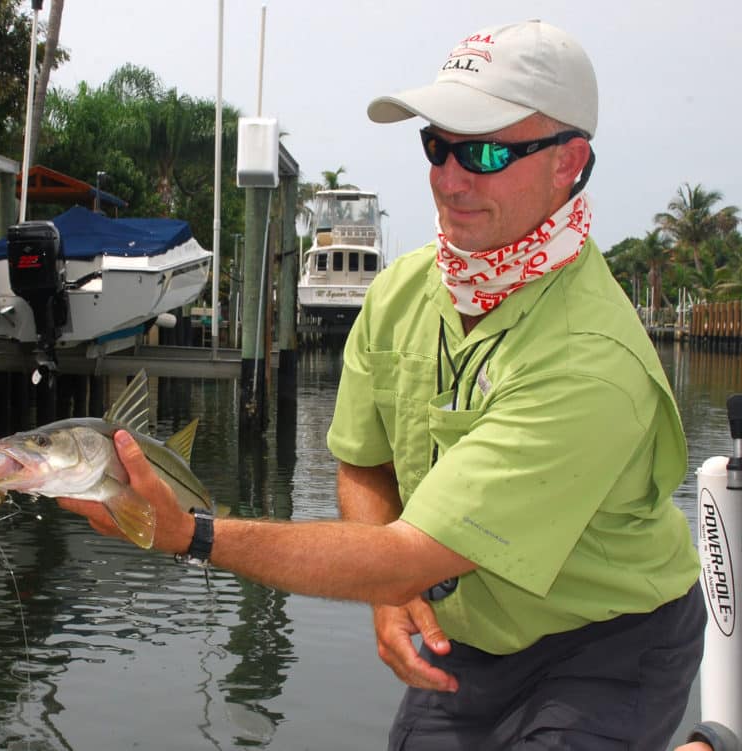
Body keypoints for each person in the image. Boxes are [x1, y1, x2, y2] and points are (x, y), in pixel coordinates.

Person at [59, 20, 712, 751]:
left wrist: (193, 535)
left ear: (569, 163)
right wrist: (388, 594)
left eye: (486, 151)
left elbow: (412, 553)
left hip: (611, 640)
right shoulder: (399, 293)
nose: (449, 178)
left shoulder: (591, 359)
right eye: (437, 145)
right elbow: (365, 462)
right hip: (468, 629)